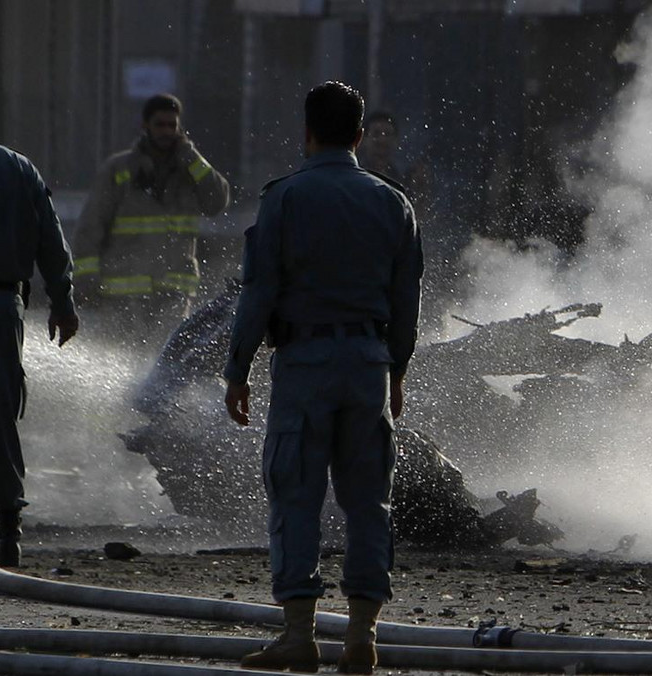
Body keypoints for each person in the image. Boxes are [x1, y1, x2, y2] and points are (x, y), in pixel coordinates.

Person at [223, 81, 423, 674]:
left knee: (296, 494)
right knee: (368, 502)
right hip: (367, 364)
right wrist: (397, 370)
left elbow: (258, 293)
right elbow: (406, 298)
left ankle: (298, 634)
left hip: (304, 366)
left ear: (306, 133)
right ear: (360, 136)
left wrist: (238, 371)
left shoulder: (285, 199)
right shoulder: (393, 203)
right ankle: (362, 636)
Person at [0, 71, 80, 566]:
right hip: (5, 309)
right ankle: (10, 534)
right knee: (2, 412)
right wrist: (64, 304)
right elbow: (52, 243)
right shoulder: (19, 168)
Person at [73, 93, 230, 352]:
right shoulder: (119, 169)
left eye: (172, 125)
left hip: (174, 295)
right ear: (145, 126)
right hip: (123, 295)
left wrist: (192, 158)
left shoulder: (190, 170)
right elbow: (90, 228)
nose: (167, 131)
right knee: (121, 362)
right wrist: (86, 281)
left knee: (165, 362)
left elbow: (217, 201)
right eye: (160, 124)